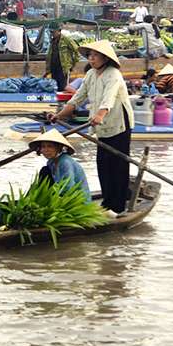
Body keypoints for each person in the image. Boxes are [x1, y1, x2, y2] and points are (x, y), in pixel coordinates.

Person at [48, 40, 133, 215]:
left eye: (95, 56)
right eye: (89, 56)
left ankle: (118, 206)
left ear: (105, 58)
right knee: (103, 163)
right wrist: (59, 115)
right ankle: (107, 201)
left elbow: (108, 99)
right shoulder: (91, 75)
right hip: (101, 126)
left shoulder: (114, 74)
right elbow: (77, 98)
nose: (91, 59)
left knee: (118, 164)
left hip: (118, 123)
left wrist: (100, 114)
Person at [29, 129, 91, 202]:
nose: (46, 150)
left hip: (76, 200)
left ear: (58, 148)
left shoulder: (65, 162)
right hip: (60, 195)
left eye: (50, 146)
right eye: (43, 146)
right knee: (44, 170)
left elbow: (68, 187)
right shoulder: (51, 162)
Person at [44, 21, 80, 91]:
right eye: (51, 32)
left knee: (64, 87)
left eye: (53, 32)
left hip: (63, 68)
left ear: (59, 31)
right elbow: (50, 55)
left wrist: (73, 64)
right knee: (55, 87)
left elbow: (76, 50)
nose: (52, 34)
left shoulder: (66, 39)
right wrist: (48, 70)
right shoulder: (52, 41)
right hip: (54, 68)